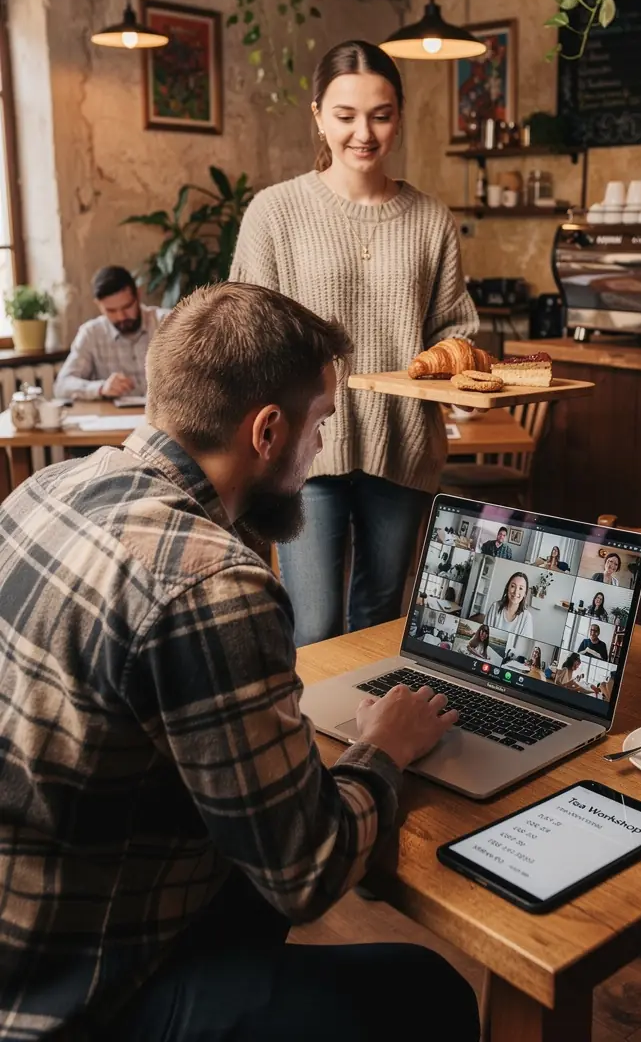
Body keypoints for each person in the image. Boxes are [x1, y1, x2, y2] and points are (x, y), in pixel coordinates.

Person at [0, 283, 479, 1042]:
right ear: (266, 430)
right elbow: (309, 871)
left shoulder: (44, 490)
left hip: (26, 922)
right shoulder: (212, 582)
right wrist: (382, 746)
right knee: (434, 994)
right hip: (74, 996)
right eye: (320, 423)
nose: (321, 446)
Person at [230, 41, 479, 647]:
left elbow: (455, 327)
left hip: (404, 441)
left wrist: (460, 373)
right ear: (317, 114)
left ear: (399, 115)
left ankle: (374, 741)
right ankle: (310, 743)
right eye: (345, 116)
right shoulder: (276, 212)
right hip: (303, 450)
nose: (363, 133)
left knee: (381, 619)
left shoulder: (430, 218)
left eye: (381, 114)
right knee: (313, 627)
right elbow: (243, 327)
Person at [54, 265, 170, 400]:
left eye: (127, 307)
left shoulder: (169, 323)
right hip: (116, 417)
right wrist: (101, 388)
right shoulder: (91, 333)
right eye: (111, 311)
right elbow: (61, 386)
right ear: (99, 305)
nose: (121, 317)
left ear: (137, 295)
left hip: (167, 416)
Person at [485, 572, 533, 637]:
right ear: (507, 588)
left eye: (521, 588)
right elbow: (485, 631)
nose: (516, 592)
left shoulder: (526, 617)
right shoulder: (495, 606)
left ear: (525, 593)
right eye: (513, 586)